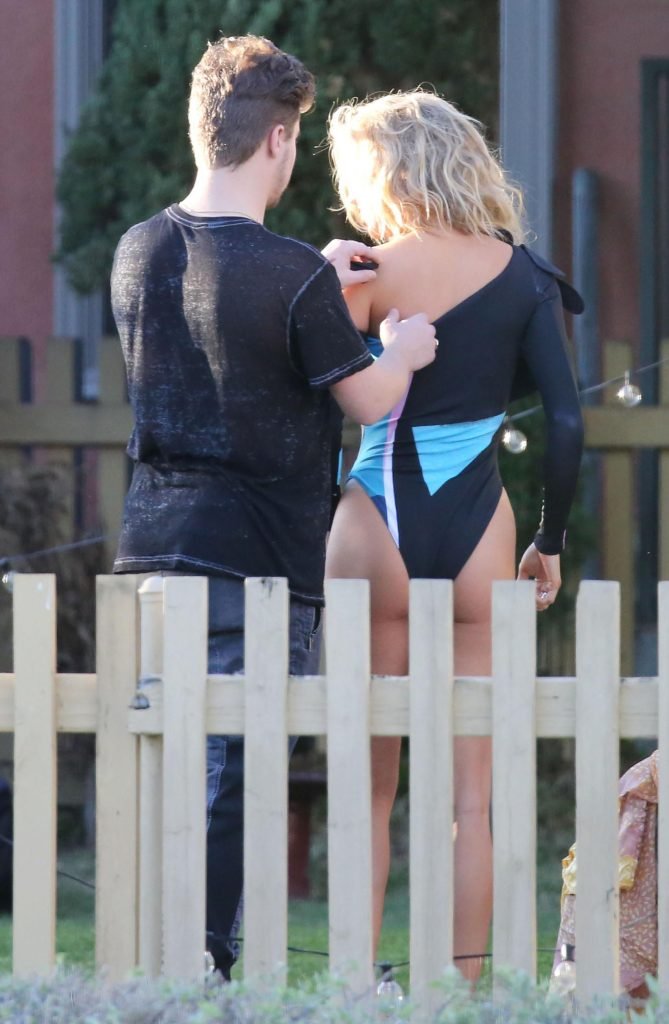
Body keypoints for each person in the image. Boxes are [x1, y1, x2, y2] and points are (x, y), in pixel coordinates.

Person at [110, 37, 437, 978]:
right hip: (256, 560)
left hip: (151, 550)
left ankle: (164, 958)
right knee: (234, 771)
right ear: (280, 141)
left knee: (167, 761)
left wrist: (317, 289)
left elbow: (222, 323)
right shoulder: (290, 272)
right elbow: (366, 400)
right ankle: (207, 963)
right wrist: (401, 351)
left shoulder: (138, 249)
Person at [324, 89, 585, 979]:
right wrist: (549, 539)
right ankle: (459, 988)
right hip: (480, 526)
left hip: (373, 518)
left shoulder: (362, 274)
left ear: (383, 173)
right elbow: (566, 423)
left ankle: (354, 988)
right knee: (471, 798)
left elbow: (312, 406)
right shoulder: (527, 277)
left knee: (367, 787)